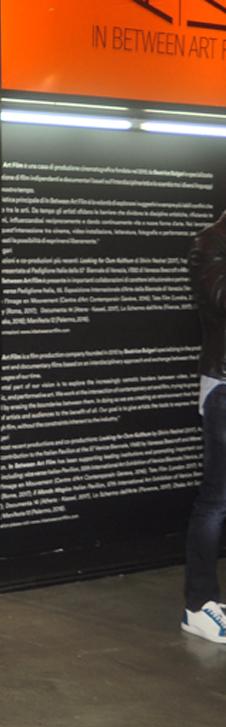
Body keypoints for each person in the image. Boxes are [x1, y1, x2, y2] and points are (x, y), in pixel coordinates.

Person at [184, 209, 226, 643]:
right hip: (224, 384)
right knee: (217, 499)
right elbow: (219, 299)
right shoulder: (211, 240)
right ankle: (198, 605)